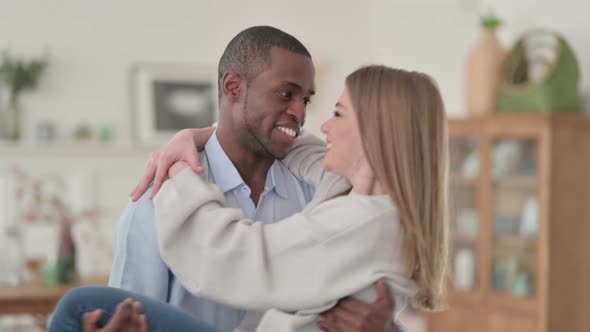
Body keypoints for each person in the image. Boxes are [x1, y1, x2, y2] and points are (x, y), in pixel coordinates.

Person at [49, 64, 449, 332]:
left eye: (339, 114)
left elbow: (231, 254)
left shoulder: (364, 220)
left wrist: (178, 171)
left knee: (79, 305)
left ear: (375, 134)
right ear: (232, 89)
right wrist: (192, 137)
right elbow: (293, 144)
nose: (321, 124)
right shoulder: (344, 189)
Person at [104, 26, 403, 332]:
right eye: (286, 94)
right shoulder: (157, 199)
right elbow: (127, 318)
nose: (300, 114)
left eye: (306, 100)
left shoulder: (322, 192)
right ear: (233, 86)